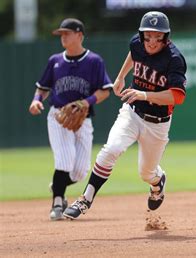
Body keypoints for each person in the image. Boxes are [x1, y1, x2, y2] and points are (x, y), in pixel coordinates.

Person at [63, 11, 187, 219]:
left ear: (166, 37)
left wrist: (144, 94)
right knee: (111, 149)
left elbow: (177, 96)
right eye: (148, 36)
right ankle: (85, 199)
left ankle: (158, 182)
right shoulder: (137, 43)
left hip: (157, 124)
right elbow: (134, 53)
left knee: (146, 173)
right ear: (141, 35)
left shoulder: (174, 59)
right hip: (132, 112)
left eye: (158, 36)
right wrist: (121, 76)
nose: (152, 41)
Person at [28, 18, 112, 220]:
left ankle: (57, 184)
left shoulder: (94, 61)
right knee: (65, 159)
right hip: (58, 116)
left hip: (84, 120)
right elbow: (43, 87)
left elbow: (105, 91)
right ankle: (58, 202)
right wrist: (36, 100)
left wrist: (86, 102)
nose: (63, 37)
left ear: (80, 35)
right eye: (61, 34)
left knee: (81, 171)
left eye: (67, 33)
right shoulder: (55, 61)